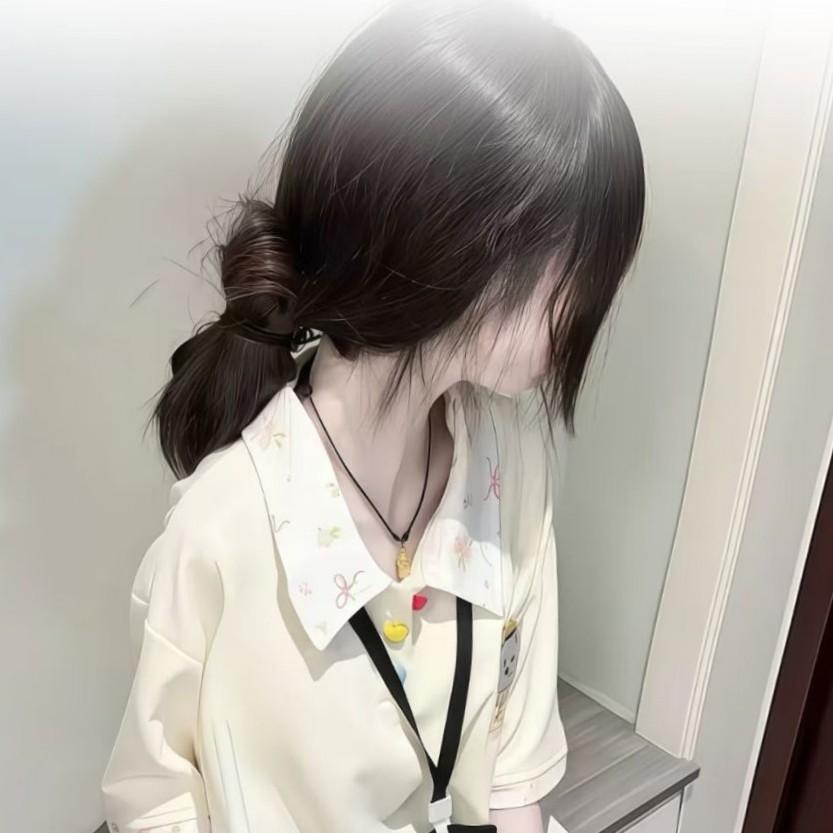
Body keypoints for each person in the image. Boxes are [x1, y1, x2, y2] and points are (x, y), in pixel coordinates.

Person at [99, 1, 645, 831]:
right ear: (454, 241)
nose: (587, 307)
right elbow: (156, 799)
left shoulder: (511, 458)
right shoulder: (223, 531)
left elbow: (512, 764)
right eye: (577, 266)